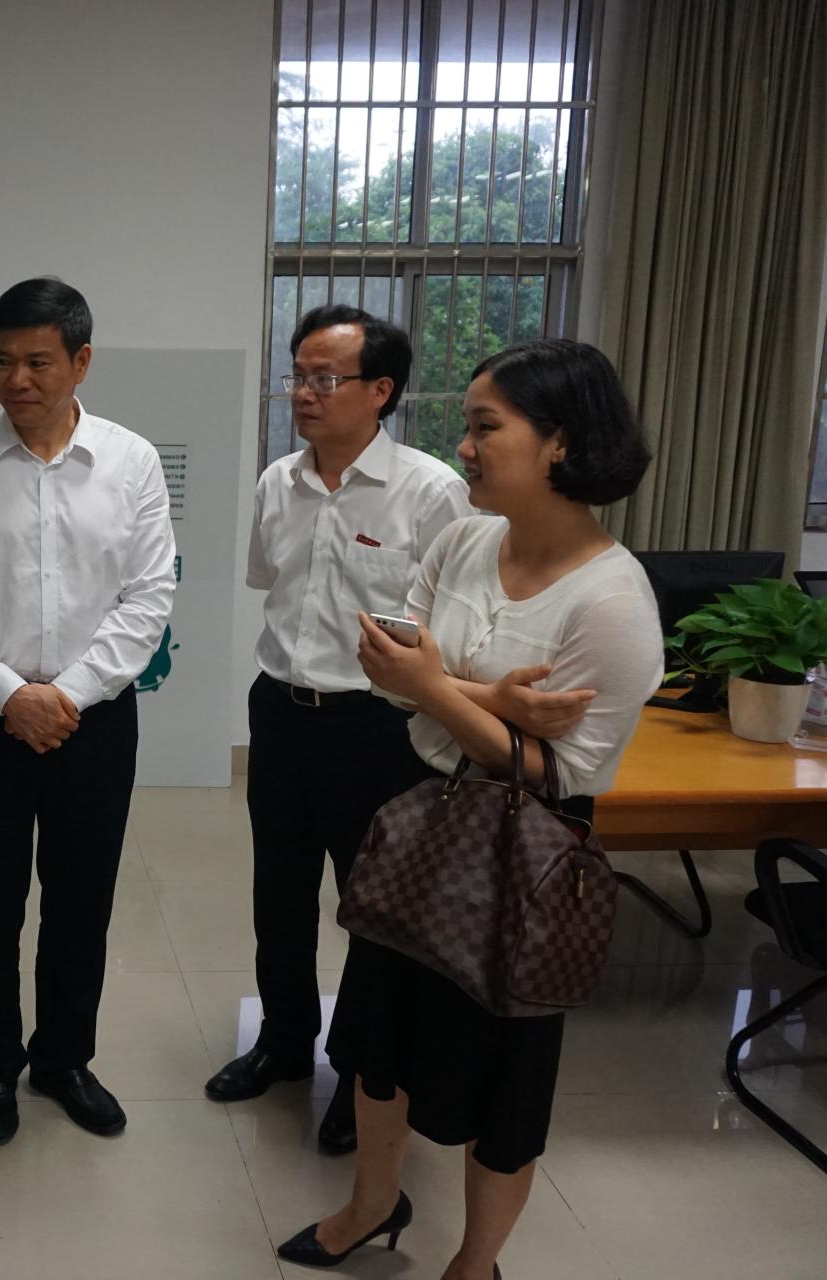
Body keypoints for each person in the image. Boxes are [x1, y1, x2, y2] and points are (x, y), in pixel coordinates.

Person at [277, 339, 661, 1279]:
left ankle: (475, 1262)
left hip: (526, 858)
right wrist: (485, 700)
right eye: (468, 426)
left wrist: (439, 689)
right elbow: (389, 671)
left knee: (503, 1080)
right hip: (424, 819)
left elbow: (558, 772)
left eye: (487, 427)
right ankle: (373, 1204)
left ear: (561, 442)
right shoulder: (464, 542)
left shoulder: (612, 602)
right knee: (379, 1046)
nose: (465, 447)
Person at [0, 278, 177, 1144]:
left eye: (37, 361)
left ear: (80, 361)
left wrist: (67, 695)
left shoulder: (131, 461)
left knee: (80, 900)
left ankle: (63, 1060)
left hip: (93, 722)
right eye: (1, 361)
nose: (16, 380)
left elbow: (148, 596)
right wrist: (8, 693)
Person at [205, 305, 473, 1157]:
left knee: (376, 910)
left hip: (380, 729)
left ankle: (363, 1075)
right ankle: (285, 1043)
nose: (304, 392)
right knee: (279, 896)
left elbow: (454, 625)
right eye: (298, 375)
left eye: (325, 378)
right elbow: (271, 582)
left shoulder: (432, 491)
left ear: (380, 390)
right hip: (282, 712)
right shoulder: (277, 482)